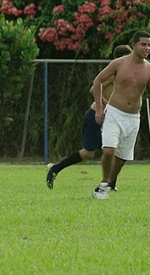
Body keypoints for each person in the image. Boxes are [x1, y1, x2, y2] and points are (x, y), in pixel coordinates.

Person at [46, 44, 132, 190]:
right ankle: (55, 169)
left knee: (114, 151)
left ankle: (111, 184)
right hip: (95, 116)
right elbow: (94, 89)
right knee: (87, 153)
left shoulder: (126, 74)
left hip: (112, 117)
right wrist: (105, 106)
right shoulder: (112, 73)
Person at [91, 31, 150, 199]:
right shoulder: (118, 64)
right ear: (134, 45)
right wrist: (100, 108)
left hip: (133, 118)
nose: (147, 48)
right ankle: (103, 184)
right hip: (114, 113)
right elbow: (97, 81)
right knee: (109, 151)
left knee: (122, 159)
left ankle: (107, 184)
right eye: (144, 44)